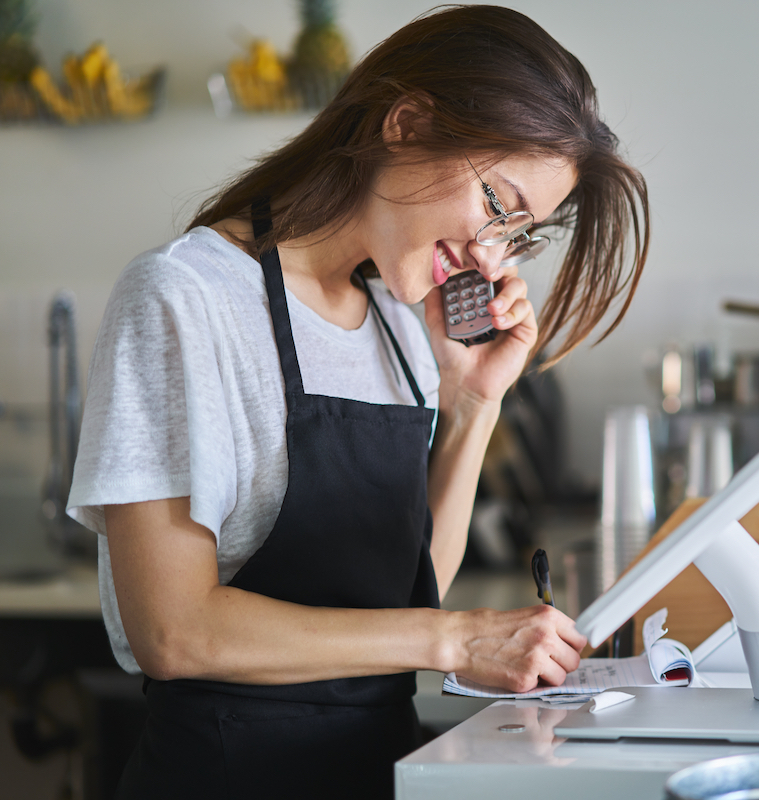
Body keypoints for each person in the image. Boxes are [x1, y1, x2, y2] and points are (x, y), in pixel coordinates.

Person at [66, 6, 650, 797]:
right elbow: (174, 631)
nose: (490, 255)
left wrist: (473, 403)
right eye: (496, 206)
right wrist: (454, 641)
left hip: (378, 772)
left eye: (518, 234)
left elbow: (407, 586)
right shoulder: (183, 296)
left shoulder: (400, 324)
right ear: (405, 124)